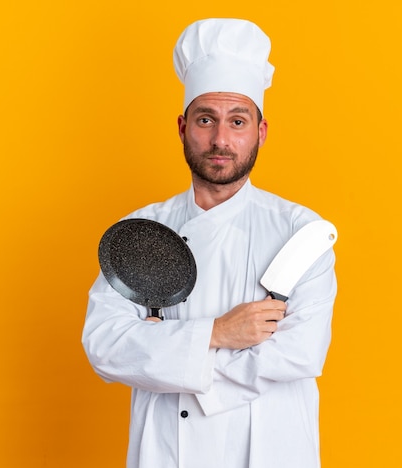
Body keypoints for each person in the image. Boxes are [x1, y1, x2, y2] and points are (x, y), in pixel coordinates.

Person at [82, 18, 338, 468]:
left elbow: (297, 354)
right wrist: (219, 333)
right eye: (206, 120)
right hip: (166, 449)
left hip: (272, 451)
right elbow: (105, 345)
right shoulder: (142, 228)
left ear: (260, 132)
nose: (221, 139)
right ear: (183, 127)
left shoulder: (301, 232)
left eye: (237, 121)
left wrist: (172, 358)